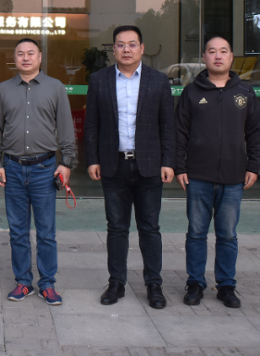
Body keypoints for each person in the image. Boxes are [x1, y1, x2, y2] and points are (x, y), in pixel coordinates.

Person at [84, 25, 176, 308]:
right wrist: (93, 159)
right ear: (114, 49)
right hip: (113, 165)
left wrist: (168, 162)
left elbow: (167, 126)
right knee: (116, 228)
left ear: (142, 48)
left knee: (150, 228)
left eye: (132, 44)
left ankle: (154, 285)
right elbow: (92, 125)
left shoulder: (158, 81)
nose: (126, 49)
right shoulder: (99, 80)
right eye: (121, 44)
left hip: (149, 166)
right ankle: (116, 283)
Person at [175, 36, 260, 308]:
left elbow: (255, 132)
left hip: (233, 177)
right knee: (196, 233)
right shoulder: (192, 92)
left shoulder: (245, 92)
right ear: (205, 57)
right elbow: (179, 133)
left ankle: (226, 285)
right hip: (198, 176)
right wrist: (179, 166)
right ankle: (195, 283)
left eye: (223, 51)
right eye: (212, 51)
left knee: (227, 234)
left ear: (231, 57)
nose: (218, 56)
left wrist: (254, 165)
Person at [0, 38, 76, 306]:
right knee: (18, 231)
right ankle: (23, 282)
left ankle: (47, 284)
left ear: (39, 57)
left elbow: (66, 127)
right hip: (13, 169)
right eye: (20, 54)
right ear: (14, 59)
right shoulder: (4, 89)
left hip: (44, 169)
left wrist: (67, 162)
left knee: (46, 231)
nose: (25, 58)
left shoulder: (55, 87)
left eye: (30, 53)